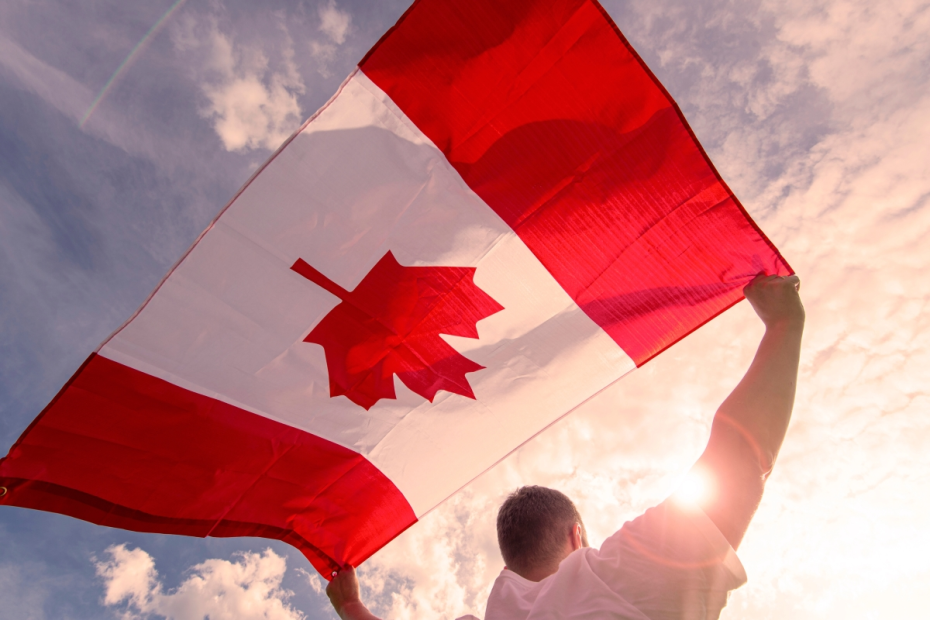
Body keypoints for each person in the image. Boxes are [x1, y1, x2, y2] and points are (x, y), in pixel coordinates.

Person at [326, 274, 805, 620]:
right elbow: (740, 462)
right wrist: (784, 325)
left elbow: (740, 461)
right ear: (577, 536)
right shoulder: (612, 577)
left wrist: (351, 605)